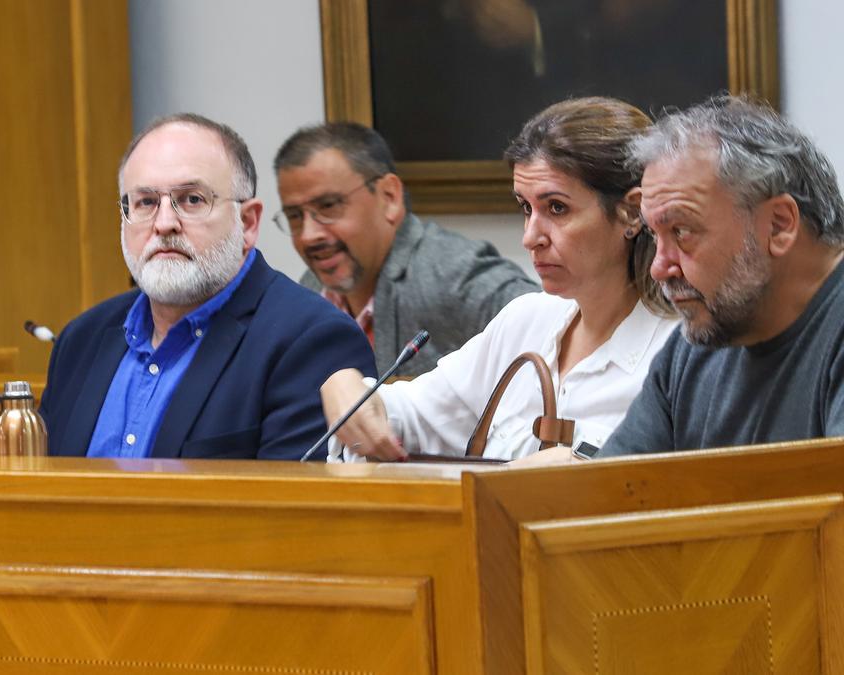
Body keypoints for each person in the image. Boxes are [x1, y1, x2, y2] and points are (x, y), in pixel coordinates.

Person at [318, 98, 678, 462]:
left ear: (632, 212)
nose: (530, 237)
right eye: (526, 207)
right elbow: (413, 415)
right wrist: (350, 389)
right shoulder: (526, 320)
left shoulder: (680, 351)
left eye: (556, 208)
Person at [39, 113, 376, 460]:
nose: (164, 224)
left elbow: (289, 511)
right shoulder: (80, 340)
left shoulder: (312, 342)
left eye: (192, 200)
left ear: (247, 222)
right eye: (145, 202)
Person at [590, 96, 844, 457]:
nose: (659, 268)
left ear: (778, 225)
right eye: (653, 235)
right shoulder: (691, 349)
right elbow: (608, 494)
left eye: (681, 231)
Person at [275, 122, 538, 375]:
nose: (309, 236)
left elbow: (550, 328)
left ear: (389, 197)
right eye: (295, 216)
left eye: (329, 206)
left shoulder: (450, 273)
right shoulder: (310, 291)